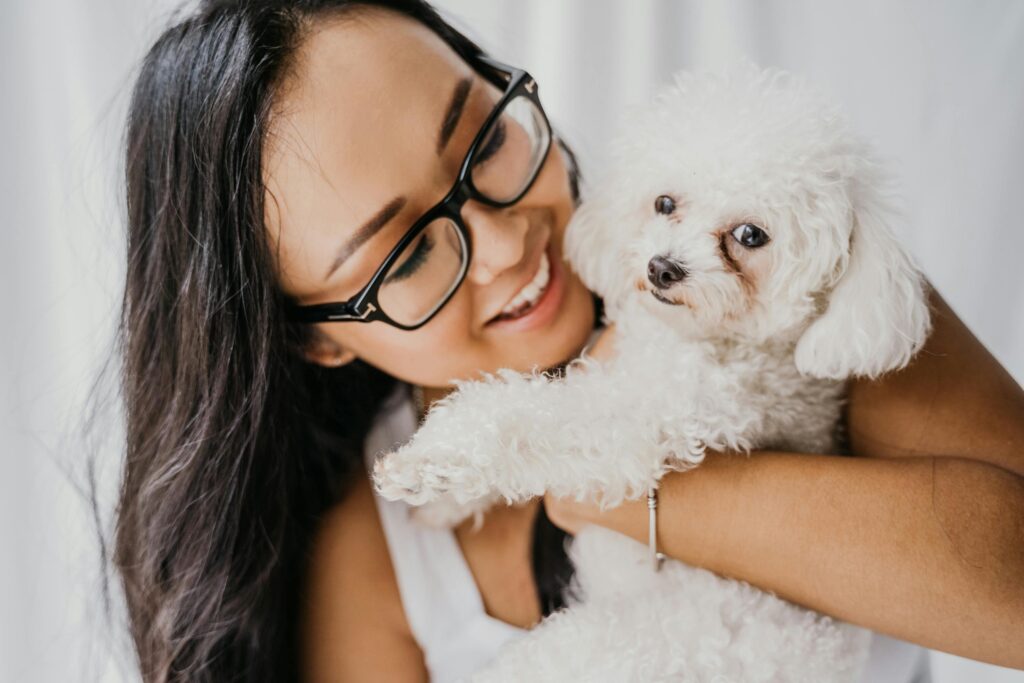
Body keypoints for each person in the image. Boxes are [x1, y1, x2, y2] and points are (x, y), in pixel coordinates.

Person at [111, 1, 1024, 681]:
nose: (508, 244)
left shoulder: (782, 264)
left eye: (484, 140)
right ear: (316, 341)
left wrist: (605, 485)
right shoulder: (381, 552)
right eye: (409, 252)